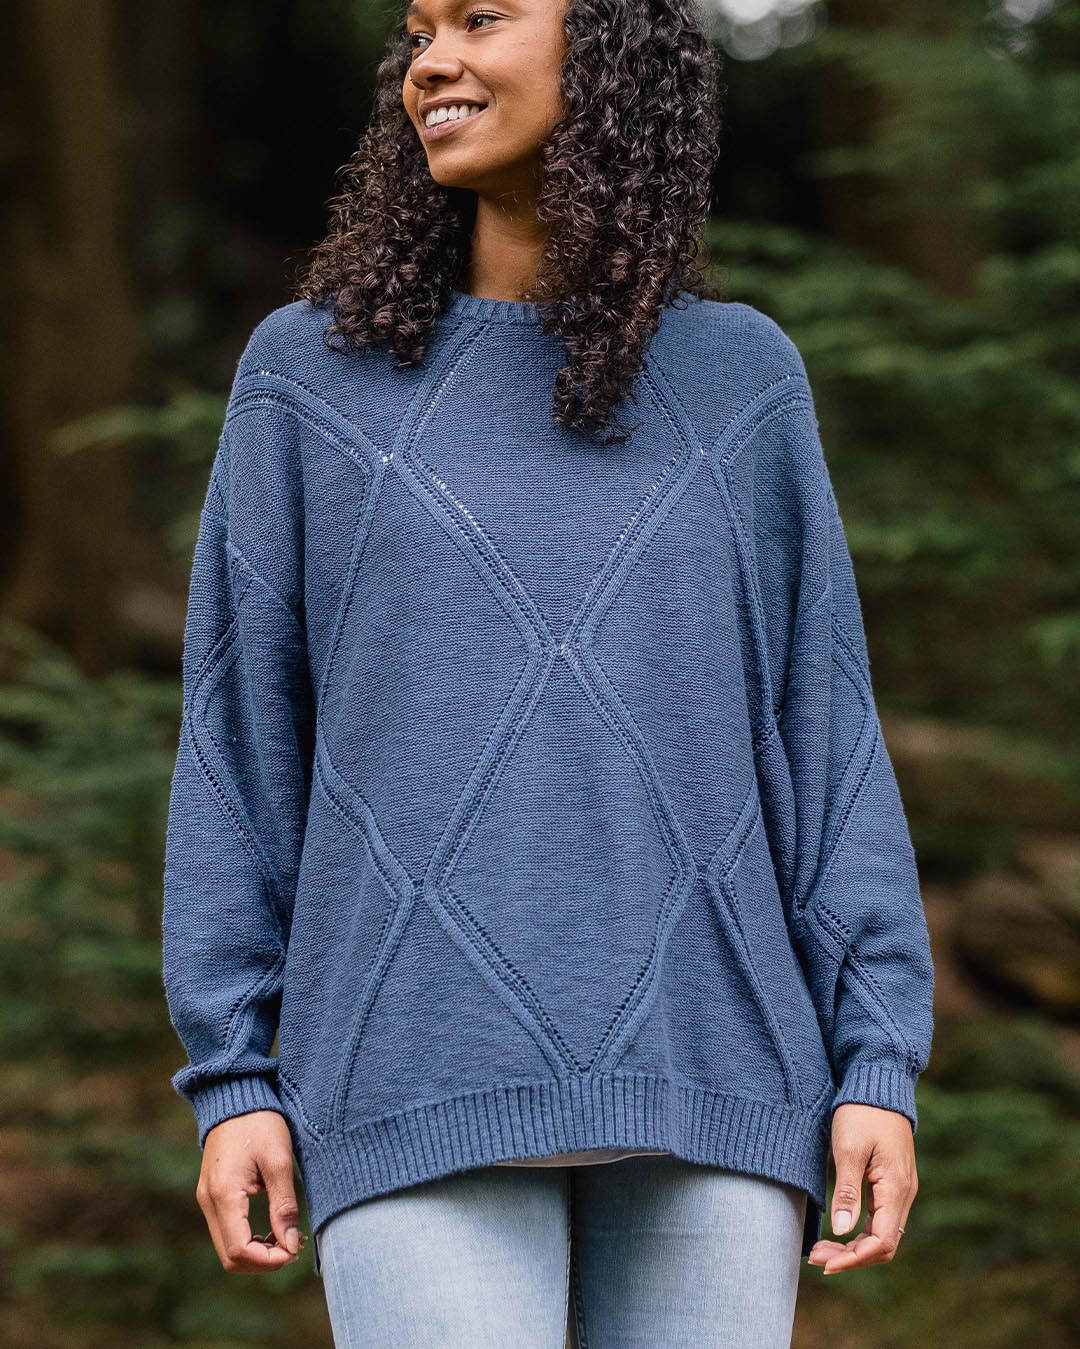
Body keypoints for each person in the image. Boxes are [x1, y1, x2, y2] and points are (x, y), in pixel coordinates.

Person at [161, 1, 935, 1344]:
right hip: (406, 1063)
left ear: (610, 49)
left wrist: (876, 1057)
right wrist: (232, 1076)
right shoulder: (310, 379)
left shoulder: (742, 379)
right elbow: (238, 742)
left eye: (482, 17)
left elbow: (825, 735)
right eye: (418, 31)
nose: (432, 62)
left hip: (720, 1072)